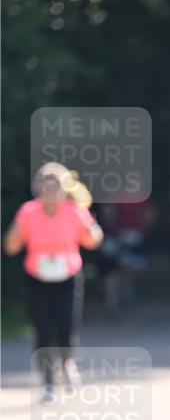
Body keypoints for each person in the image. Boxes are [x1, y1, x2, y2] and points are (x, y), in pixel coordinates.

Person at [3, 162, 103, 402]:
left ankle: (67, 364)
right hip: (38, 280)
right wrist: (16, 231)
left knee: (66, 330)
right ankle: (49, 383)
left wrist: (92, 228)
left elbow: (93, 241)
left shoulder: (74, 211)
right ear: (38, 188)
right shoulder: (28, 212)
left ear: (64, 189)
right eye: (46, 186)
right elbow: (10, 247)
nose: (50, 192)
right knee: (43, 332)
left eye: (56, 187)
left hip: (67, 279)